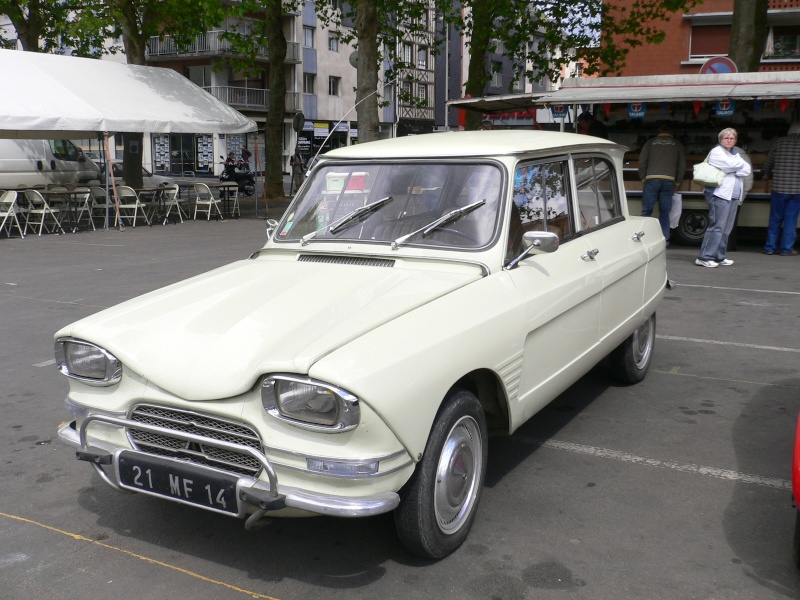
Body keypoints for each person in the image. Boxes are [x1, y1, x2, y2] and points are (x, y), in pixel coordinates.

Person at [695, 128, 751, 268]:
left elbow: (746, 169)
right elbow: (734, 166)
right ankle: (704, 257)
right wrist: (735, 166)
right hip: (719, 193)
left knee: (726, 228)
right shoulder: (716, 152)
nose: (729, 140)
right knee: (717, 226)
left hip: (732, 194)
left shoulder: (735, 154)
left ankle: (719, 256)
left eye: (732, 138)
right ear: (720, 140)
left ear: (735, 140)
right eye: (726, 138)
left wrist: (733, 167)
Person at [638, 122, 686, 244]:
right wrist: (677, 182)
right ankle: (665, 239)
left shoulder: (650, 143)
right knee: (665, 212)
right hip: (669, 181)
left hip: (651, 179)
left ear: (660, 130)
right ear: (672, 132)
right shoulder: (678, 145)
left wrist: (643, 177)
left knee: (647, 211)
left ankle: (643, 238)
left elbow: (642, 162)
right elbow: (682, 166)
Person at [762, 121, 800, 256]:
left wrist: (765, 173)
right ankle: (786, 249)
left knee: (775, 218)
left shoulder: (779, 142)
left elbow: (769, 162)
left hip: (779, 188)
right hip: (797, 190)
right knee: (791, 220)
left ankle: (770, 247)